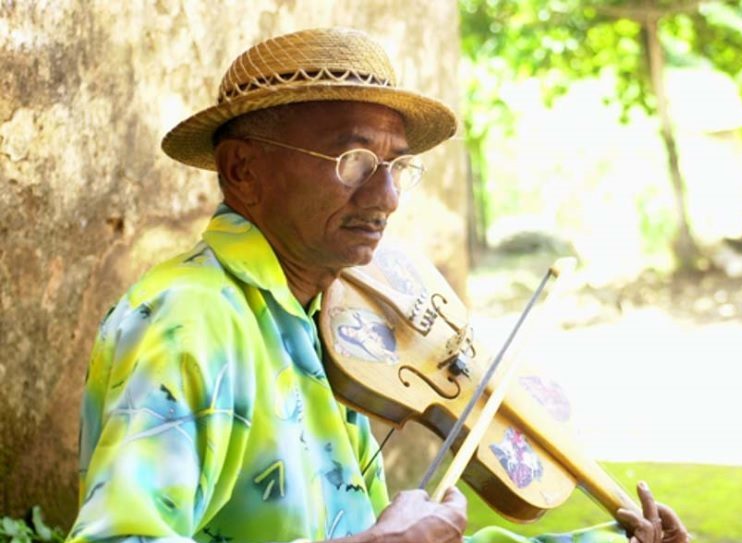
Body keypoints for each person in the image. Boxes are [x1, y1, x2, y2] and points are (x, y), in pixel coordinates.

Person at [66, 28, 689, 543]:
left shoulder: (332, 323)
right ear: (244, 170)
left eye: (396, 167)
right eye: (355, 161)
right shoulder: (187, 320)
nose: (386, 198)